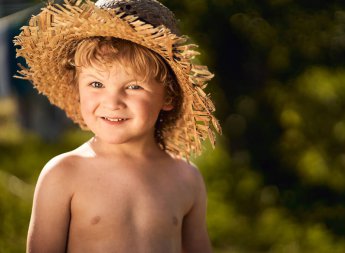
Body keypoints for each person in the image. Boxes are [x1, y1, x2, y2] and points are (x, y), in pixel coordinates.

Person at [14, 0, 221, 252]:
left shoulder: (186, 178)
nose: (112, 102)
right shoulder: (63, 174)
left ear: (168, 96)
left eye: (134, 86)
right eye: (97, 84)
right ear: (77, 87)